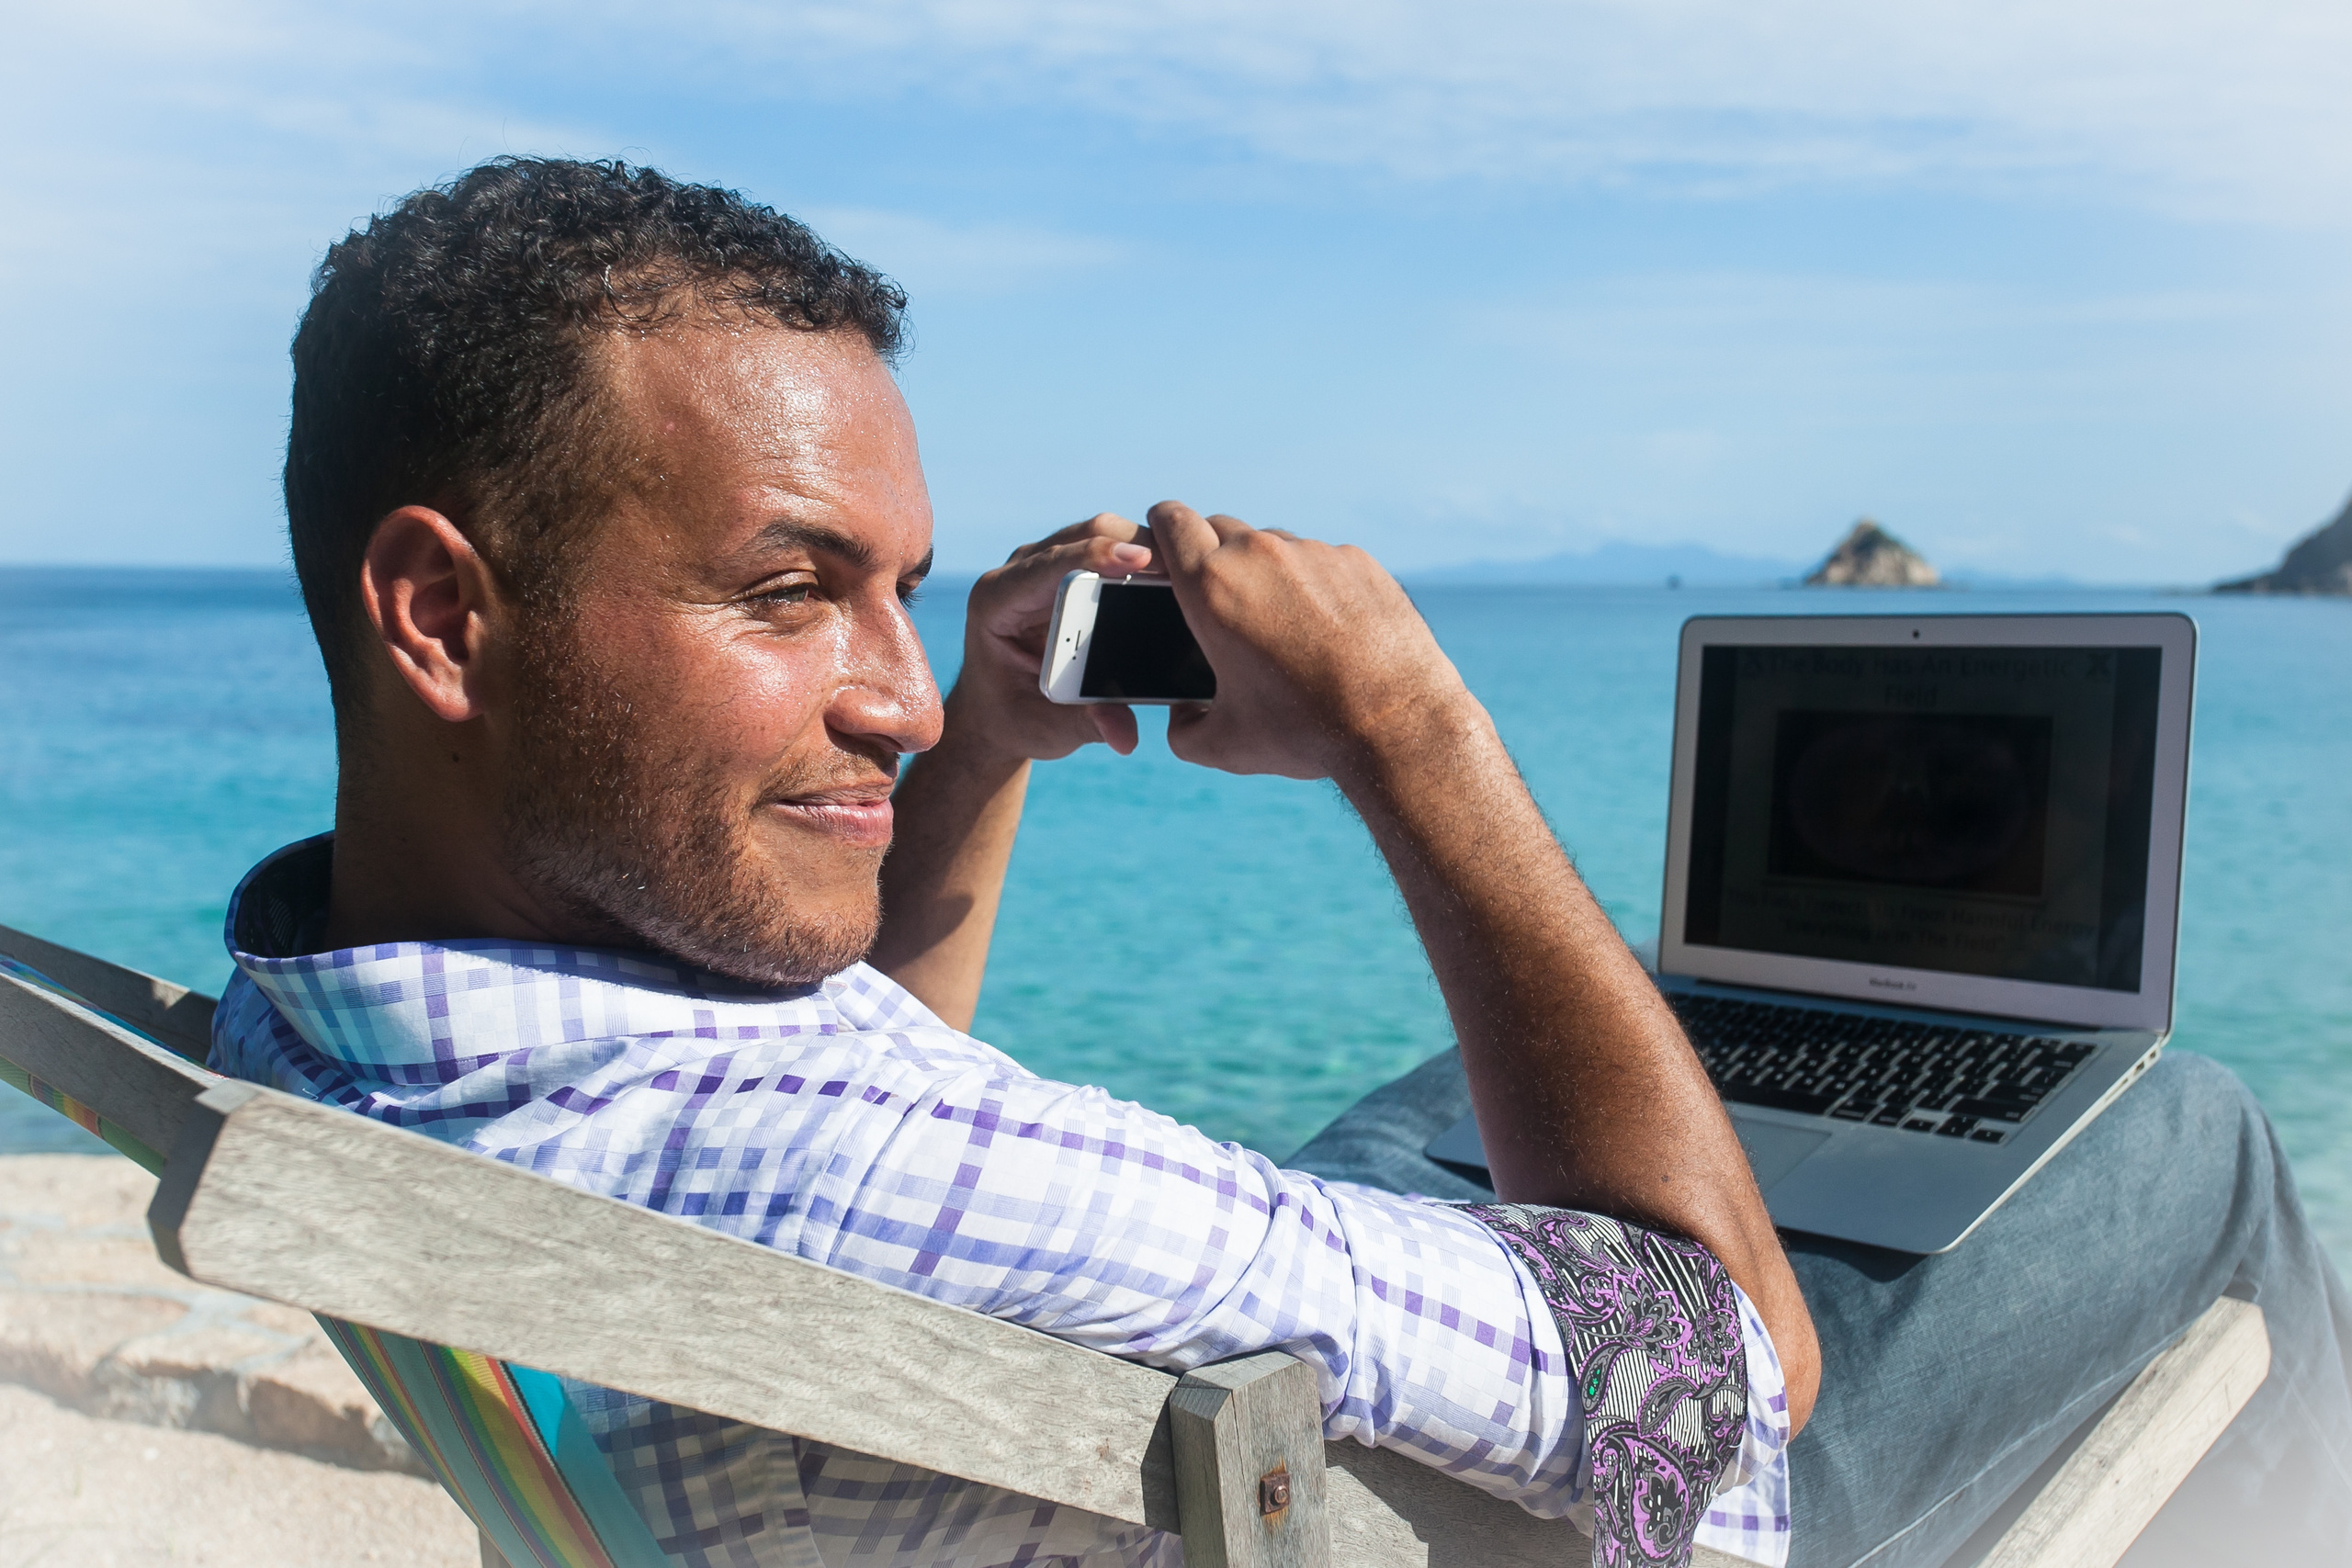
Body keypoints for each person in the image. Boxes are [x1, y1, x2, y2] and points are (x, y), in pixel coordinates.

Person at [208, 158, 2349, 1568]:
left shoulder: (349, 1011)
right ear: (440, 612)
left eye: (904, 595)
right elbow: (1715, 1384)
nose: (905, 695)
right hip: (1653, 1498)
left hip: (1173, 1370)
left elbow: (844, 1091)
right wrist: (1416, 733)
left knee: (1506, 1103)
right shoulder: (878, 1184)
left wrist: (988, 763)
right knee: (2181, 1130)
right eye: (787, 589)